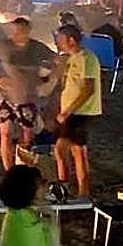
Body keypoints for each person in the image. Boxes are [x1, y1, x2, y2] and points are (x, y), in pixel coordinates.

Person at [0, 17, 55, 172]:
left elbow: (57, 61)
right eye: (15, 30)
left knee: (26, 138)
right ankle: (9, 171)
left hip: (28, 98)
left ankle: (22, 170)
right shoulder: (4, 47)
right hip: (6, 97)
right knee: (5, 135)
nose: (17, 33)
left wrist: (49, 82)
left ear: (27, 30)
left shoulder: (37, 48)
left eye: (20, 30)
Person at [50, 25, 102, 197]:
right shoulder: (71, 59)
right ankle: (80, 192)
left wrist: (68, 111)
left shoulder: (87, 58)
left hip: (80, 112)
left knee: (63, 149)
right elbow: (60, 81)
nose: (58, 43)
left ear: (71, 39)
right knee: (76, 151)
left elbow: (89, 88)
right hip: (71, 111)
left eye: (61, 39)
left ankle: (67, 189)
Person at [0, 166, 59, 246]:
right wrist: (50, 214)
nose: (45, 188)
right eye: (41, 184)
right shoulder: (39, 222)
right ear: (31, 191)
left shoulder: (11, 215)